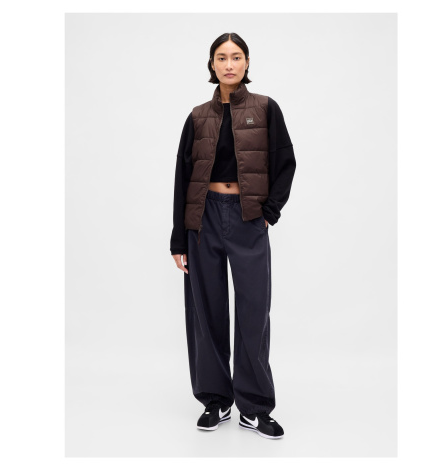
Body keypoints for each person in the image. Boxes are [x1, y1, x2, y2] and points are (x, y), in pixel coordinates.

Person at [170, 32, 296, 440]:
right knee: (206, 313)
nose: (229, 64)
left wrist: (268, 213)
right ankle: (216, 400)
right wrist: (178, 239)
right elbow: (182, 177)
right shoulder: (197, 117)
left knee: (253, 312)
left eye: (236, 57)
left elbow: (285, 162)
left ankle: (254, 408)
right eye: (221, 57)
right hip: (203, 219)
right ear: (211, 64)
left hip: (248, 218)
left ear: (247, 63)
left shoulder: (265, 108)